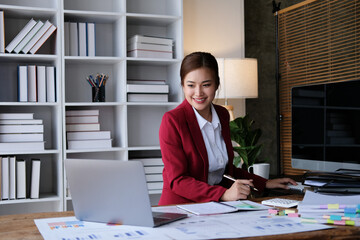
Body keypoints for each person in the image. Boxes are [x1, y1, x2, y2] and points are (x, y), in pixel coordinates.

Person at [158, 52, 296, 205]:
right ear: (183, 86)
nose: (198, 93)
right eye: (191, 85)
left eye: (206, 85)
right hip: (182, 207)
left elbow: (226, 170)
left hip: (215, 205)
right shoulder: (172, 120)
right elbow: (178, 181)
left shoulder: (222, 114)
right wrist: (224, 194)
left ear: (217, 84)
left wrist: (264, 183)